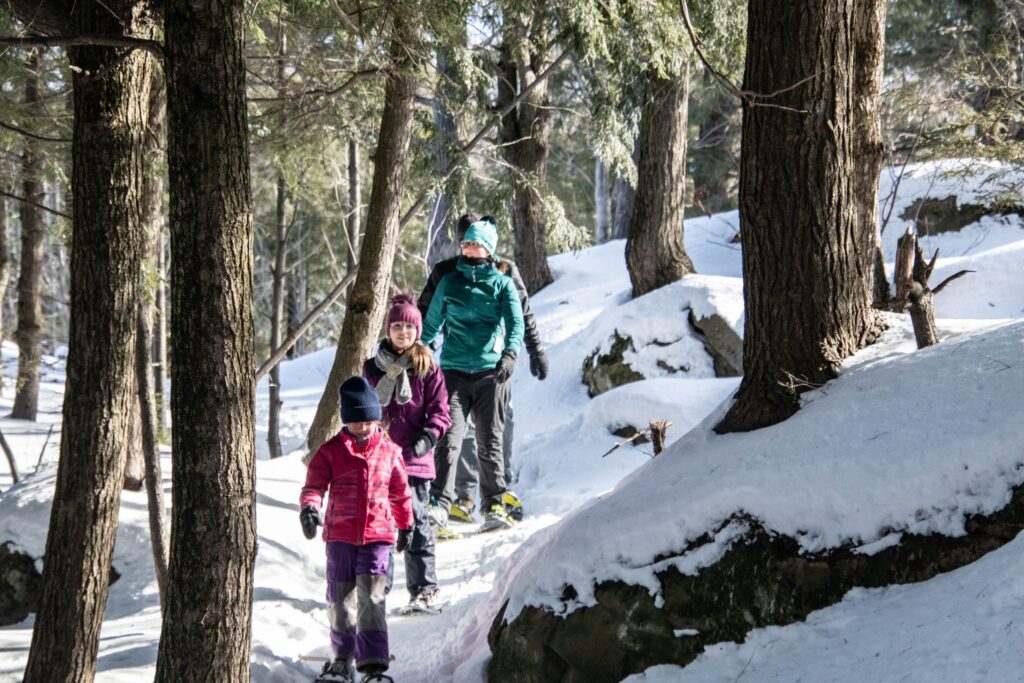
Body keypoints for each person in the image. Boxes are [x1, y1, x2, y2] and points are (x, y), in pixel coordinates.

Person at [418, 212, 547, 524]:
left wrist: (526, 352)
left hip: (493, 371)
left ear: (490, 247)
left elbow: (520, 318)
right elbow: (428, 317)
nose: (468, 246)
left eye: (475, 241)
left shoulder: (504, 277)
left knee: (493, 437)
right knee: (451, 435)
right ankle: (446, 499)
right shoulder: (447, 276)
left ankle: (495, 501)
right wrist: (415, 351)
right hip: (455, 367)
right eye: (465, 241)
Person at [300, 375, 413, 683]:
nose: (363, 427)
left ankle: (373, 666)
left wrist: (406, 525)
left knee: (372, 598)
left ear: (377, 418)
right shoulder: (331, 451)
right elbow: (313, 486)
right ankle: (341, 660)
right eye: (356, 422)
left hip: (378, 537)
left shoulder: (390, 452)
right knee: (340, 598)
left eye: (369, 421)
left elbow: (400, 493)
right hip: (340, 538)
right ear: (346, 420)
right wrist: (310, 508)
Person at [362, 293, 451, 613]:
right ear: (389, 330)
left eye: (409, 327)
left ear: (418, 331)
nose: (403, 332)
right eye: (397, 326)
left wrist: (427, 438)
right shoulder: (372, 368)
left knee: (415, 523)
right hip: (381, 461)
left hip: (414, 460)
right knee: (380, 526)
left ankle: (423, 588)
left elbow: (441, 411)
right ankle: (377, 589)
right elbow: (363, 407)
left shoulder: (427, 367)